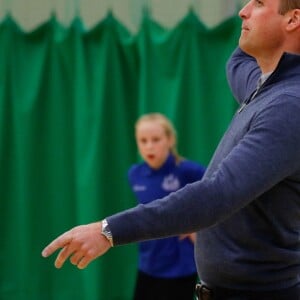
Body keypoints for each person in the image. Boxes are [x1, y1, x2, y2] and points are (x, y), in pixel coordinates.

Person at [42, 0, 300, 299]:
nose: (243, 10)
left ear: (294, 19)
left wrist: (107, 230)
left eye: (258, 3)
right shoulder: (261, 87)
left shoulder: (289, 106)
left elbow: (217, 195)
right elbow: (237, 62)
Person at [128, 113, 206, 300]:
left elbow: (216, 197)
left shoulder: (189, 171)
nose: (149, 146)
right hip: (148, 263)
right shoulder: (135, 174)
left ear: (170, 140)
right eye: (143, 141)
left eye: (156, 139)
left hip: (181, 266)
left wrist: (198, 229)